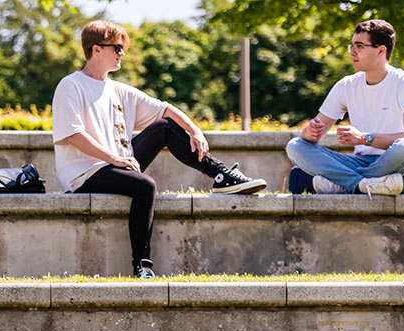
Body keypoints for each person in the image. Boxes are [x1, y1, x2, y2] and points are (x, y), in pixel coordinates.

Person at [52, 20, 268, 279]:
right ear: (96, 49)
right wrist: (114, 159)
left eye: (123, 48)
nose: (122, 53)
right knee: (145, 185)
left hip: (119, 164)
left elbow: (164, 109)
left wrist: (194, 130)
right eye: (117, 48)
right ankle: (141, 265)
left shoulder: (117, 89)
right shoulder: (70, 85)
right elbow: (74, 134)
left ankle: (221, 175)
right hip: (85, 174)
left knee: (165, 126)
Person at [285, 19, 404, 196]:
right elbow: (314, 133)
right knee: (295, 146)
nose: (352, 52)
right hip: (361, 163)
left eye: (359, 46)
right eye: (352, 46)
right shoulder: (346, 85)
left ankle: (342, 183)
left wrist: (364, 138)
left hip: (400, 165)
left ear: (381, 50)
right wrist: (310, 132)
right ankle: (361, 185)